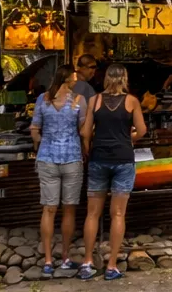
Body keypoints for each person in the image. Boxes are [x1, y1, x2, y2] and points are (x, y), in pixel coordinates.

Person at [78, 64, 146, 280]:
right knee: (117, 214)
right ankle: (111, 265)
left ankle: (88, 262)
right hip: (123, 160)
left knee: (92, 213)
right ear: (124, 78)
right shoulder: (131, 101)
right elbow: (142, 130)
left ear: (106, 78)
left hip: (99, 159)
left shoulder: (94, 100)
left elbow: (86, 132)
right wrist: (128, 140)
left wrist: (88, 149)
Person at [30, 65, 85, 275]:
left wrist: (41, 144)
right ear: (68, 79)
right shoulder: (79, 101)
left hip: (47, 158)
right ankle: (65, 256)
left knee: (49, 208)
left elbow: (35, 128)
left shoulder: (43, 99)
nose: (76, 79)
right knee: (68, 208)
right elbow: (84, 131)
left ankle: (47, 260)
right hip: (72, 157)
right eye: (75, 76)